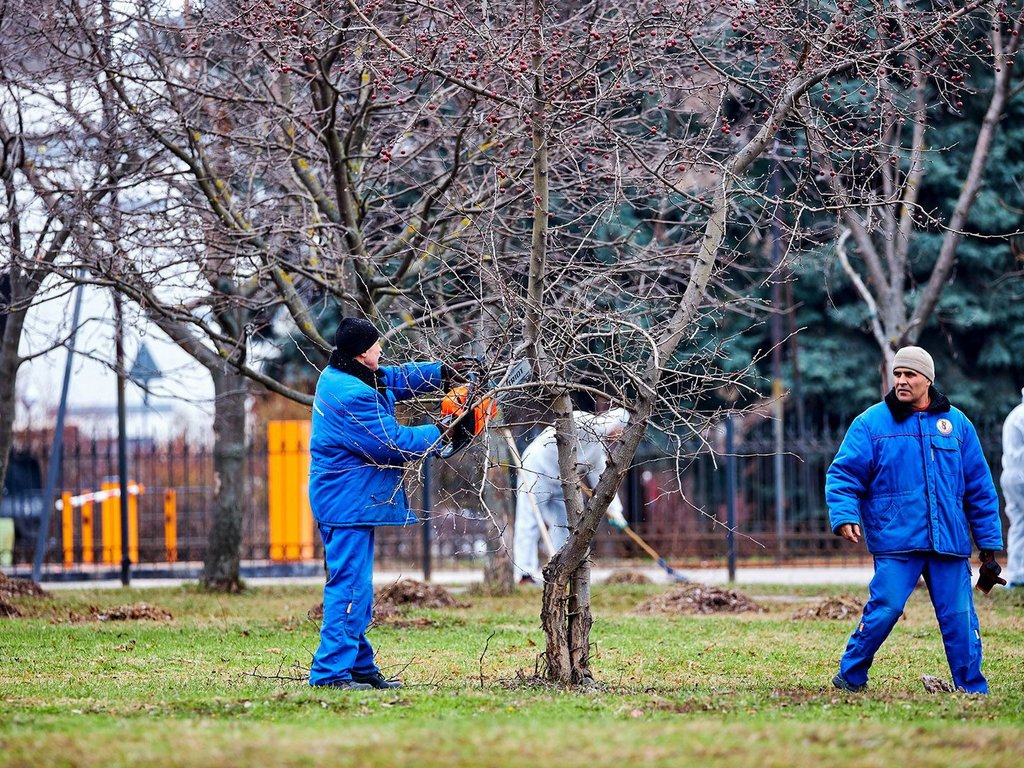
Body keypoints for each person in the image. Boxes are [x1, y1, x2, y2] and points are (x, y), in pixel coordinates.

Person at [307, 317, 474, 690]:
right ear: (364, 352)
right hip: (345, 502)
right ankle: (330, 675)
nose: (382, 350)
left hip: (346, 499)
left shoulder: (344, 374)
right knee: (350, 589)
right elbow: (392, 442)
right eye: (377, 345)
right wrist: (445, 429)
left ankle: (358, 668)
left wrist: (442, 374)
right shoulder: (352, 396)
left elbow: (394, 380)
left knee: (357, 590)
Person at [826, 346, 1004, 694]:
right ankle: (850, 675)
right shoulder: (871, 423)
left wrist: (988, 546)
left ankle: (972, 688)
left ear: (928, 379)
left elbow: (980, 488)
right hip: (896, 539)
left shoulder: (957, 425)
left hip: (949, 542)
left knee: (959, 619)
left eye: (910, 374)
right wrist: (844, 513)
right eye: (897, 374)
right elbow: (844, 475)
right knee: (887, 608)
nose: (902, 381)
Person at [513, 408, 631, 584]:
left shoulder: (596, 451)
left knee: (565, 524)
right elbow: (566, 422)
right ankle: (524, 574)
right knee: (529, 522)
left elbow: (604, 479)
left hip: (560, 482)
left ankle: (560, 569)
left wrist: (616, 511)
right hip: (535, 470)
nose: (620, 434)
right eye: (621, 429)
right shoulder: (583, 419)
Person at [1001, 387, 1024, 589]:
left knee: (1019, 523)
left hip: (1011, 474)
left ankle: (1017, 575)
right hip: (1022, 474)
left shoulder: (1015, 413)